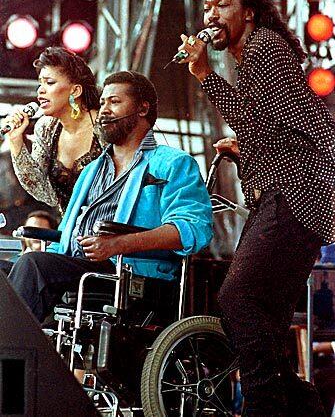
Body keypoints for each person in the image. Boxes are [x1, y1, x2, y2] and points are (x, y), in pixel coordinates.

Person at [177, 0, 335, 416]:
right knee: (261, 316)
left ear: (248, 12)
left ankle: (265, 406)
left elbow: (267, 123)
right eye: (207, 7)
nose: (211, 14)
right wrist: (247, 147)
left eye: (222, 4)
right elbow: (271, 125)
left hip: (297, 193)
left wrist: (205, 74)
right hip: (292, 193)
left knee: (237, 297)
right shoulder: (252, 57)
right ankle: (303, 407)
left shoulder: (264, 48)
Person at [7, 71, 213, 324]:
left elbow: (193, 230)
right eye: (103, 102)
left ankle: (11, 353)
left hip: (128, 272)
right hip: (77, 265)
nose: (103, 110)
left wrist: (118, 244)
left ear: (142, 108)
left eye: (114, 102)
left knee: (33, 266)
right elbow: (66, 233)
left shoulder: (173, 163)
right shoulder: (92, 170)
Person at [3, 47, 102, 216]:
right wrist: (15, 140)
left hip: (108, 231)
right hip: (69, 231)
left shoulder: (104, 125)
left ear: (75, 90)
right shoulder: (47, 128)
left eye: (49, 83)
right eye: (40, 83)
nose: (40, 90)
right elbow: (45, 193)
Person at [0, 210, 58, 275]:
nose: (35, 236)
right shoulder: (11, 260)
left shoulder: (57, 261)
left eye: (40, 230)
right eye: (30, 231)